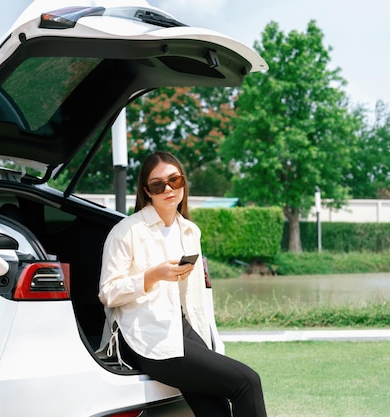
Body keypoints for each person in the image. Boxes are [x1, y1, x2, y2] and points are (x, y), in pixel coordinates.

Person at [98, 151, 267, 417]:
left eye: (174, 180)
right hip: (142, 334)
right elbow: (108, 293)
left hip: (182, 327)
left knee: (217, 411)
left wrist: (209, 343)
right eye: (157, 184)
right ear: (147, 191)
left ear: (183, 183)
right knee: (247, 382)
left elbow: (195, 298)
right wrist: (153, 275)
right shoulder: (126, 231)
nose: (168, 188)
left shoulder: (190, 230)